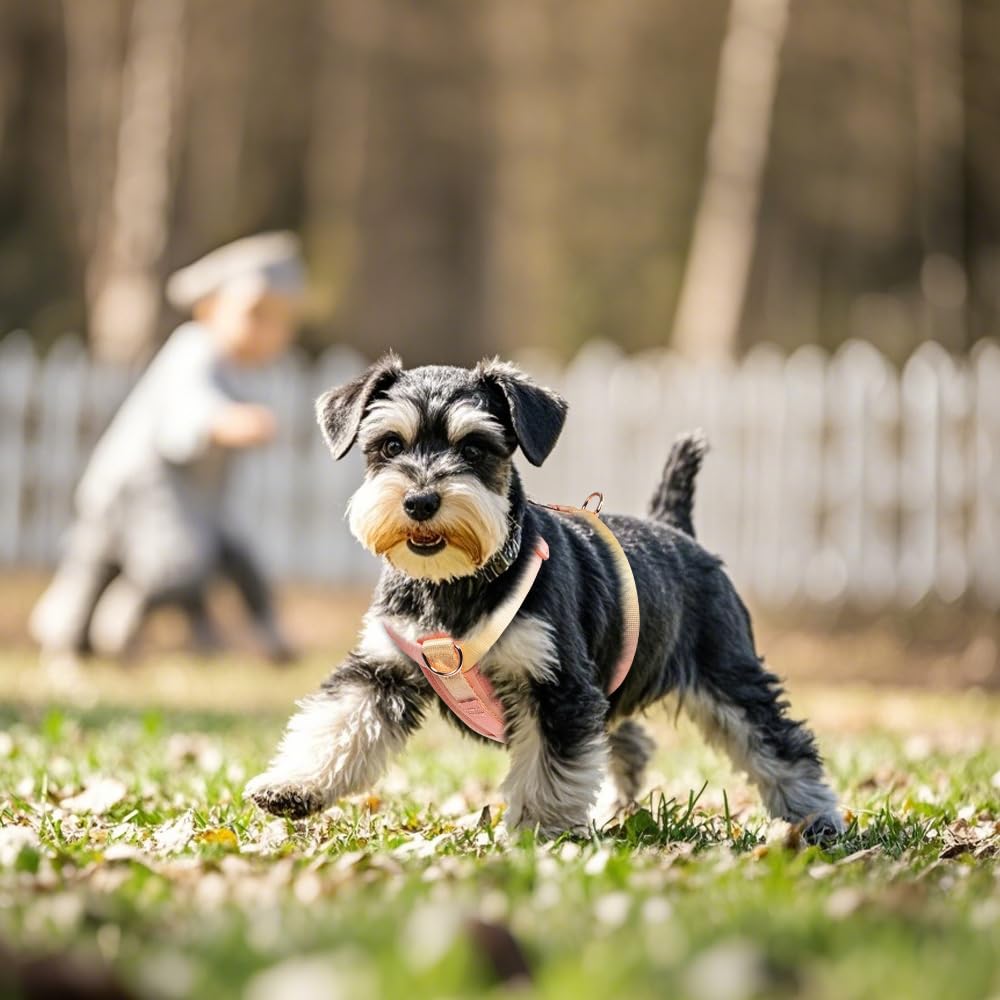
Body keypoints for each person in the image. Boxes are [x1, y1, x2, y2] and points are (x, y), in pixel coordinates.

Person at [30, 232, 306, 664]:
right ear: (210, 309)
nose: (270, 333)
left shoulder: (236, 367)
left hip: (188, 499)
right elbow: (188, 413)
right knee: (161, 567)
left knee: (234, 554)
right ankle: (102, 627)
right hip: (140, 489)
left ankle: (269, 638)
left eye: (282, 321)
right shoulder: (195, 350)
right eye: (256, 315)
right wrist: (224, 422)